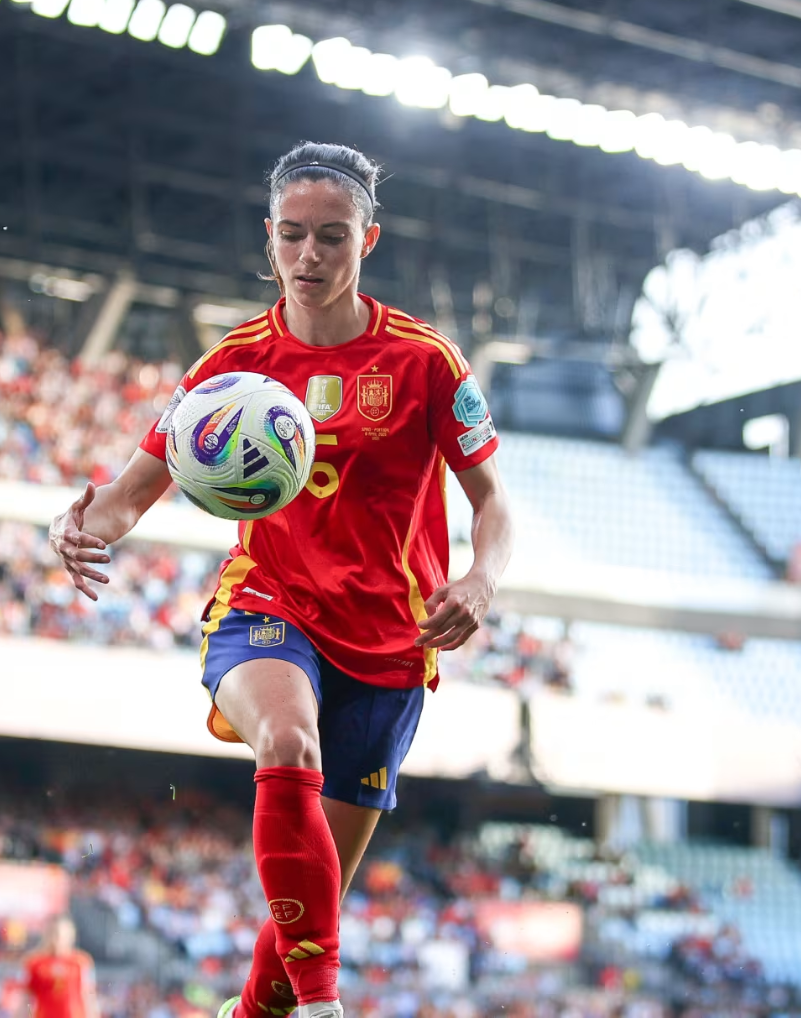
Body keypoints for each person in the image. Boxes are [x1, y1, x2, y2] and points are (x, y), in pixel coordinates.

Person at [50, 141, 515, 1018]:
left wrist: (480, 580)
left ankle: (260, 1010)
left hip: (391, 639)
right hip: (270, 604)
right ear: (268, 238)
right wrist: (77, 527)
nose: (310, 257)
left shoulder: (425, 362)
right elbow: (125, 497)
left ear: (367, 240)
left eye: (331, 238)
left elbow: (495, 502)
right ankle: (325, 1008)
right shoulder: (230, 368)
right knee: (288, 744)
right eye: (293, 236)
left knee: (315, 896)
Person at [21, 916, 98, 1018]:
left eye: (61, 935)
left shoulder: (82, 961)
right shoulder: (34, 963)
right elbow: (26, 999)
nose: (57, 939)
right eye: (54, 934)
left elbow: (89, 995)